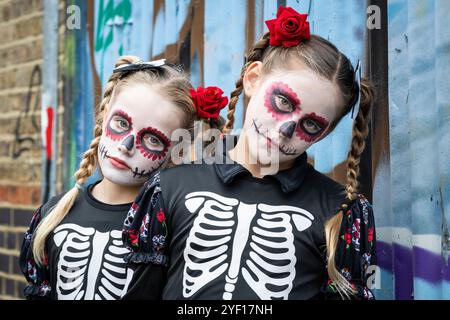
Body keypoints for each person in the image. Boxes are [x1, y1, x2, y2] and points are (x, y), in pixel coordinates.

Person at [122, 6, 376, 300]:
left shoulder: (340, 211)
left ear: (325, 133)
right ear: (253, 79)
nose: (285, 129)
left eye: (310, 124)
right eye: (283, 102)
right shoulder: (169, 187)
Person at [19, 56, 227, 300]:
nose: (127, 146)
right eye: (121, 123)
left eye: (152, 139)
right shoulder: (52, 214)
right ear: (104, 115)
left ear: (175, 153)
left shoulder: (170, 228)